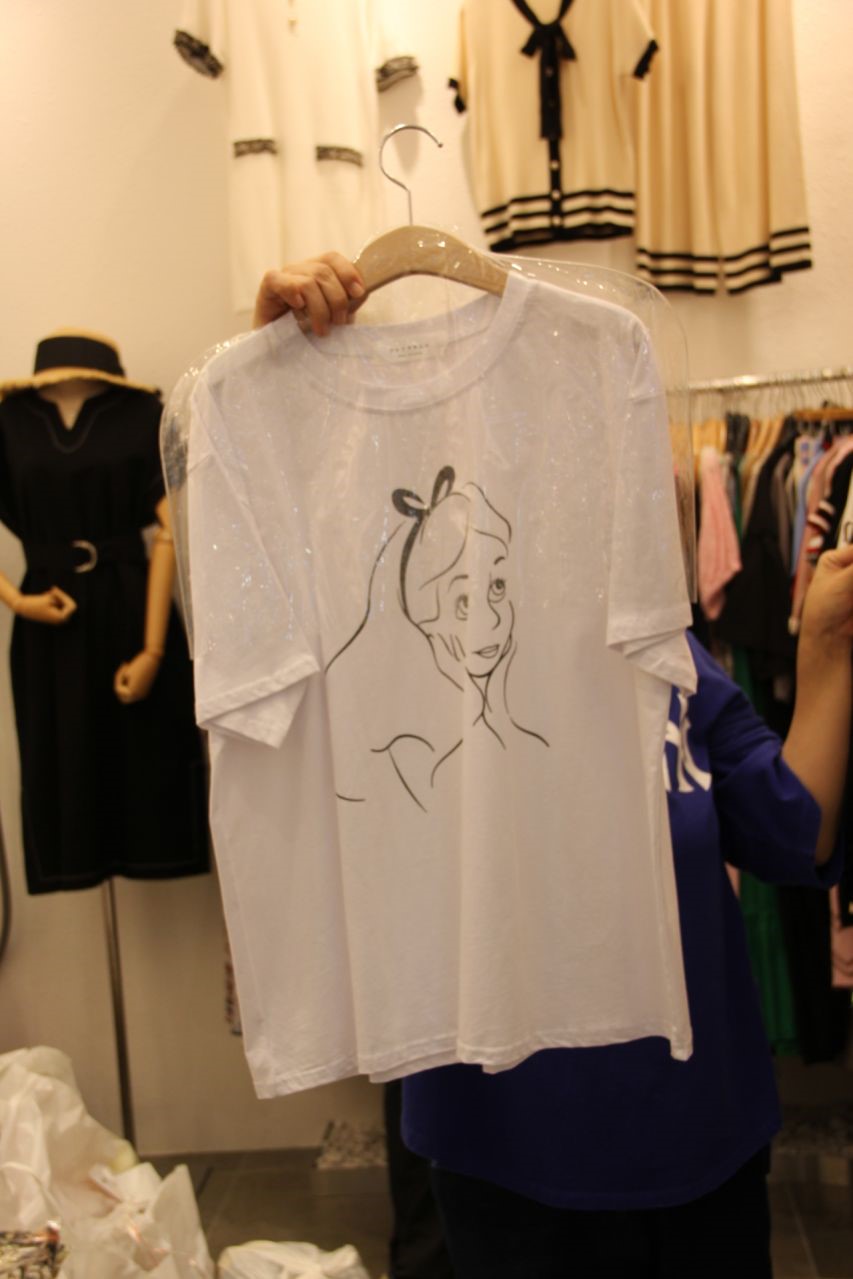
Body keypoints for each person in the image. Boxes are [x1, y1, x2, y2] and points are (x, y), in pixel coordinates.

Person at [252, 256, 852, 1278]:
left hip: (700, 1143)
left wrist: (828, 650)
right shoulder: (407, 692)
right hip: (506, 1158)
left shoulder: (665, 660)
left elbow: (795, 834)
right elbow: (280, 590)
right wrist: (280, 370)